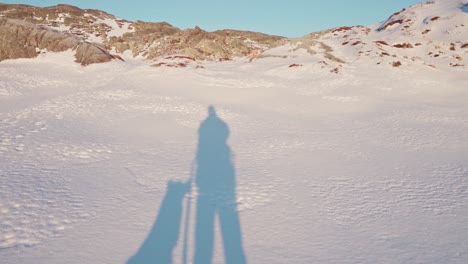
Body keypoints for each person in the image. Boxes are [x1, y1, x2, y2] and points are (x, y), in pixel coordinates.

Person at [193, 106, 246, 264]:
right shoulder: (219, 128)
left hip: (209, 179)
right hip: (221, 178)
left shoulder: (206, 127)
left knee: (205, 227)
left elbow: (202, 145)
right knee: (226, 228)